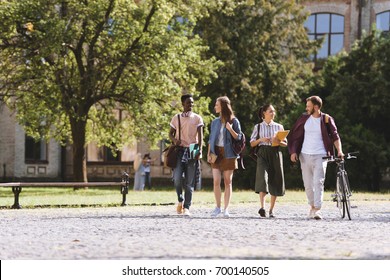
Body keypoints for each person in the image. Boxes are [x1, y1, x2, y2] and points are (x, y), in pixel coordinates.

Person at [288, 96, 343, 220]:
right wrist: (293, 151)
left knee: (318, 182)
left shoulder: (326, 119)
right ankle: (312, 206)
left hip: (321, 155)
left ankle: (317, 209)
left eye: (308, 106)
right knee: (308, 184)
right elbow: (296, 136)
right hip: (305, 155)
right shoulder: (304, 119)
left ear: (316, 107)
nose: (306, 108)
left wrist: (339, 150)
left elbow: (335, 136)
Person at [207, 96, 243, 218]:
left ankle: (226, 209)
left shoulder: (234, 121)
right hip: (216, 153)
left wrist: (231, 129)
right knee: (216, 181)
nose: (215, 107)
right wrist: (208, 153)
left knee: (228, 182)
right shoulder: (215, 122)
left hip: (229, 153)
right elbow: (210, 139)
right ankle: (217, 207)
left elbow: (239, 137)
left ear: (223, 106)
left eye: (217, 105)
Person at [169, 94, 204, 216]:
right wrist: (175, 141)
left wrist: (199, 149)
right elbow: (170, 134)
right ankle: (180, 200)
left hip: (193, 148)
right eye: (189, 103)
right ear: (183, 104)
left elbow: (200, 136)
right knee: (177, 179)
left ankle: (187, 207)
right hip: (179, 149)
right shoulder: (176, 118)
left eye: (192, 103)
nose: (191, 105)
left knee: (190, 181)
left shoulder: (197, 118)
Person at [250, 105, 286, 218]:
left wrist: (278, 141)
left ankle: (271, 210)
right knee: (262, 178)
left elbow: (285, 143)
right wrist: (261, 139)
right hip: (263, 153)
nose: (273, 113)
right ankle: (262, 207)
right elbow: (251, 143)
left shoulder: (279, 126)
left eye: (274, 111)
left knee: (275, 180)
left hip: (275, 153)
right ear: (264, 113)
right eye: (270, 111)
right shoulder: (258, 127)